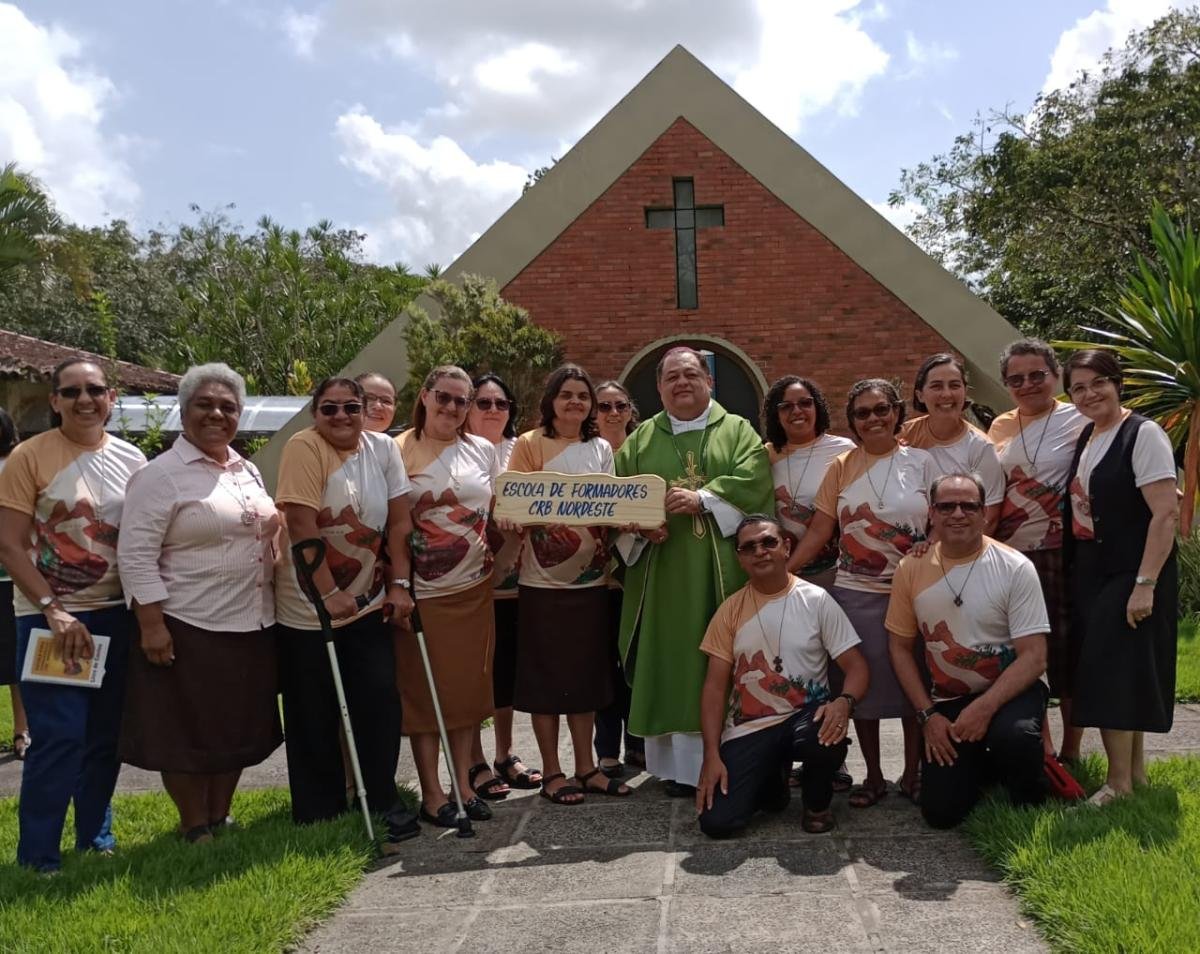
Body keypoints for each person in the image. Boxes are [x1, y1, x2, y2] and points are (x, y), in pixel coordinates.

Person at [117, 364, 283, 843]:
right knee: (187, 731)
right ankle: (194, 824)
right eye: (204, 405)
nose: (217, 414)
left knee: (233, 727)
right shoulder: (161, 476)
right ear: (184, 411)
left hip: (251, 621)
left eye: (228, 407)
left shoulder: (245, 468)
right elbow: (136, 554)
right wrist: (151, 624)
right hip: (188, 621)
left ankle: (220, 814)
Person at [0, 359, 146, 872]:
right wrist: (53, 609)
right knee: (60, 736)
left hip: (116, 615)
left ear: (111, 398)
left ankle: (95, 839)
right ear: (55, 400)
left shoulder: (132, 459)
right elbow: (11, 546)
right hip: (55, 620)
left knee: (106, 737)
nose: (85, 399)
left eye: (95, 390)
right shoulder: (29, 457)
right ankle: (38, 855)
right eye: (73, 391)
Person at [615, 347, 773, 795]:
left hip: (724, 574)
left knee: (727, 658)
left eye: (690, 375)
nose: (681, 383)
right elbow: (619, 505)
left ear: (710, 382)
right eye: (671, 378)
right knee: (674, 661)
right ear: (660, 387)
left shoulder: (738, 430)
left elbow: (756, 481)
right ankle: (679, 769)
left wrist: (703, 499)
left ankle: (738, 755)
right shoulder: (640, 440)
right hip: (663, 577)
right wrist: (642, 529)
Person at [274, 376, 416, 837]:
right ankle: (319, 810)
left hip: (370, 600)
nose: (340, 417)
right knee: (313, 711)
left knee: (379, 701)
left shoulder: (384, 450)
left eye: (351, 408)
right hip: (308, 608)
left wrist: (399, 583)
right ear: (315, 412)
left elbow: (398, 522)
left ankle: (380, 796)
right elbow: (300, 522)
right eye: (329, 408)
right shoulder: (304, 447)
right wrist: (327, 593)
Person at [786, 379, 936, 808]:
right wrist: (785, 570)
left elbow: (941, 518)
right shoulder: (842, 466)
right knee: (862, 689)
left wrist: (931, 545)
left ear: (897, 412)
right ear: (852, 421)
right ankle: (872, 777)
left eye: (881, 409)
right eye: (863, 413)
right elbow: (820, 529)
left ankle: (912, 772)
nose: (874, 419)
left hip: (909, 592)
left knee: (913, 687)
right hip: (854, 592)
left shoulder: (921, 463)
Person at [886, 473, 1050, 828]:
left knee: (1015, 736)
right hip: (947, 701)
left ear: (984, 512)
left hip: (1009, 691)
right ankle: (981, 768)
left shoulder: (1015, 567)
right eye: (946, 506)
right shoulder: (910, 568)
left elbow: (1035, 656)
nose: (957, 513)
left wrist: (984, 709)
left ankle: (1031, 797)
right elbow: (899, 649)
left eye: (968, 505)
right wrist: (928, 717)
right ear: (931, 513)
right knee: (941, 814)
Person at [696, 514, 868, 837]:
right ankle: (773, 785)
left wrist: (844, 703)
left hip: (804, 719)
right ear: (740, 559)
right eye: (749, 547)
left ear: (786, 547)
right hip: (749, 728)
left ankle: (817, 806)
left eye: (768, 542)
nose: (760, 551)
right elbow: (714, 689)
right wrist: (711, 755)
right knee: (718, 823)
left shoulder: (816, 600)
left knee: (824, 735)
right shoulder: (729, 611)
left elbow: (857, 668)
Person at [507, 364, 630, 804]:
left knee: (585, 678)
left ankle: (586, 767)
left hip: (592, 584)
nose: (575, 402)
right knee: (545, 679)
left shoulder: (600, 448)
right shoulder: (529, 444)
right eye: (567, 395)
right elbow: (514, 503)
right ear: (551, 401)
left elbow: (613, 506)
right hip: (542, 585)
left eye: (583, 396)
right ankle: (554, 773)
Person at [1063, 349, 1179, 806]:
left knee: (1111, 671)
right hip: (1097, 567)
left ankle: (1117, 784)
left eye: (1098, 383)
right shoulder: (1091, 435)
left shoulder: (1143, 434)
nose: (1089, 394)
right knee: (1123, 669)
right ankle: (1136, 776)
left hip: (1133, 569)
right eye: (1078, 388)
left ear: (1118, 382)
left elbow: (1165, 514)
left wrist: (1145, 583)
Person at [396, 366, 500, 825]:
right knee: (425, 696)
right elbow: (391, 524)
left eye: (463, 401)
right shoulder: (396, 449)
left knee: (467, 694)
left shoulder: (482, 449)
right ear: (424, 396)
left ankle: (463, 784)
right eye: (445, 397)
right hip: (423, 595)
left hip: (474, 590)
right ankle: (433, 792)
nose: (453, 408)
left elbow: (497, 512)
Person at [988, 339, 1086, 763]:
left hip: (1059, 554)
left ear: (1055, 375)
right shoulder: (999, 426)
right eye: (1016, 379)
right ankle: (1037, 748)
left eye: (1036, 375)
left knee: (1065, 653)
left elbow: (1125, 442)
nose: (1027, 385)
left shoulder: (1079, 417)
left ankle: (1071, 752)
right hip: (1010, 558)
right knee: (1020, 656)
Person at [763, 376, 856, 792]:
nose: (797, 412)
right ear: (774, 414)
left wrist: (790, 572)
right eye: (786, 406)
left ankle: (832, 756)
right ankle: (783, 753)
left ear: (818, 406)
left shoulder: (843, 452)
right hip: (779, 580)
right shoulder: (764, 456)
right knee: (792, 665)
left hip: (827, 574)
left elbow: (826, 525)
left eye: (805, 403)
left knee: (834, 667)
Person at [463, 372, 542, 798]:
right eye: (483, 403)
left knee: (505, 669)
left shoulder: (522, 448)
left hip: (518, 578)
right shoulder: (459, 452)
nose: (493, 411)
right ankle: (473, 760)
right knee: (475, 671)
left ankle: (505, 753)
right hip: (467, 582)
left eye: (501, 404)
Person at [592, 379, 645, 778]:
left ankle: (640, 742)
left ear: (631, 411)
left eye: (620, 406)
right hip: (595, 579)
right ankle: (607, 747)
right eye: (604, 406)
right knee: (605, 664)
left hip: (640, 574)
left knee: (638, 660)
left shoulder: (645, 449)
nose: (613, 413)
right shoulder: (585, 454)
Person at [899, 354, 1005, 534]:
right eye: (936, 386)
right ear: (920, 395)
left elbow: (990, 517)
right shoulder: (903, 436)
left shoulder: (980, 447)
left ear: (965, 391)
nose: (946, 394)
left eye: (955, 385)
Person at [0, 408, 30, 761]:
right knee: (15, 663)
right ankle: (21, 731)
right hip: (18, 580)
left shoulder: (20, 467)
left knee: (15, 660)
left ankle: (22, 730)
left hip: (14, 579)